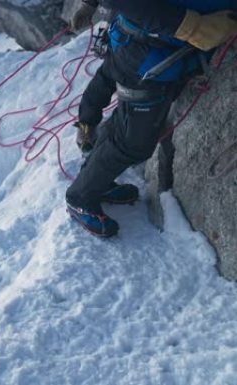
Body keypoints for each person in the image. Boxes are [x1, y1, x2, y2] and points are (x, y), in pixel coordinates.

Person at [66, 0, 237, 237]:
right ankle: (80, 196)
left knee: (125, 124)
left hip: (148, 41)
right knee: (134, 144)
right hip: (148, 49)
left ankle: (95, 180)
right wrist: (193, 27)